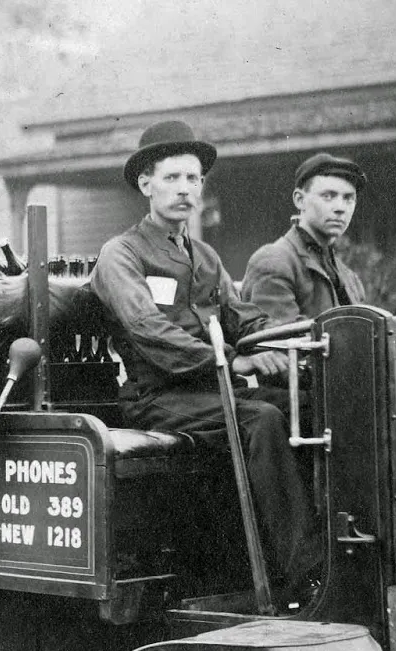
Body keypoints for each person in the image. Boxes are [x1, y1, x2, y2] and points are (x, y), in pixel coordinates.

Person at [89, 120, 322, 601]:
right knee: (263, 418)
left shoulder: (206, 258)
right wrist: (232, 361)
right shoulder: (122, 254)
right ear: (145, 184)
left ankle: (337, 551)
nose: (184, 189)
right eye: (171, 178)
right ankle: (306, 575)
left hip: (210, 391)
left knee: (312, 405)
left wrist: (274, 344)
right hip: (157, 397)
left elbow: (243, 316)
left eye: (193, 179)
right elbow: (147, 329)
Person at [242, 153, 368, 323]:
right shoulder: (274, 262)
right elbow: (277, 341)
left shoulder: (349, 278)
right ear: (300, 200)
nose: (340, 208)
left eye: (348, 198)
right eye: (328, 196)